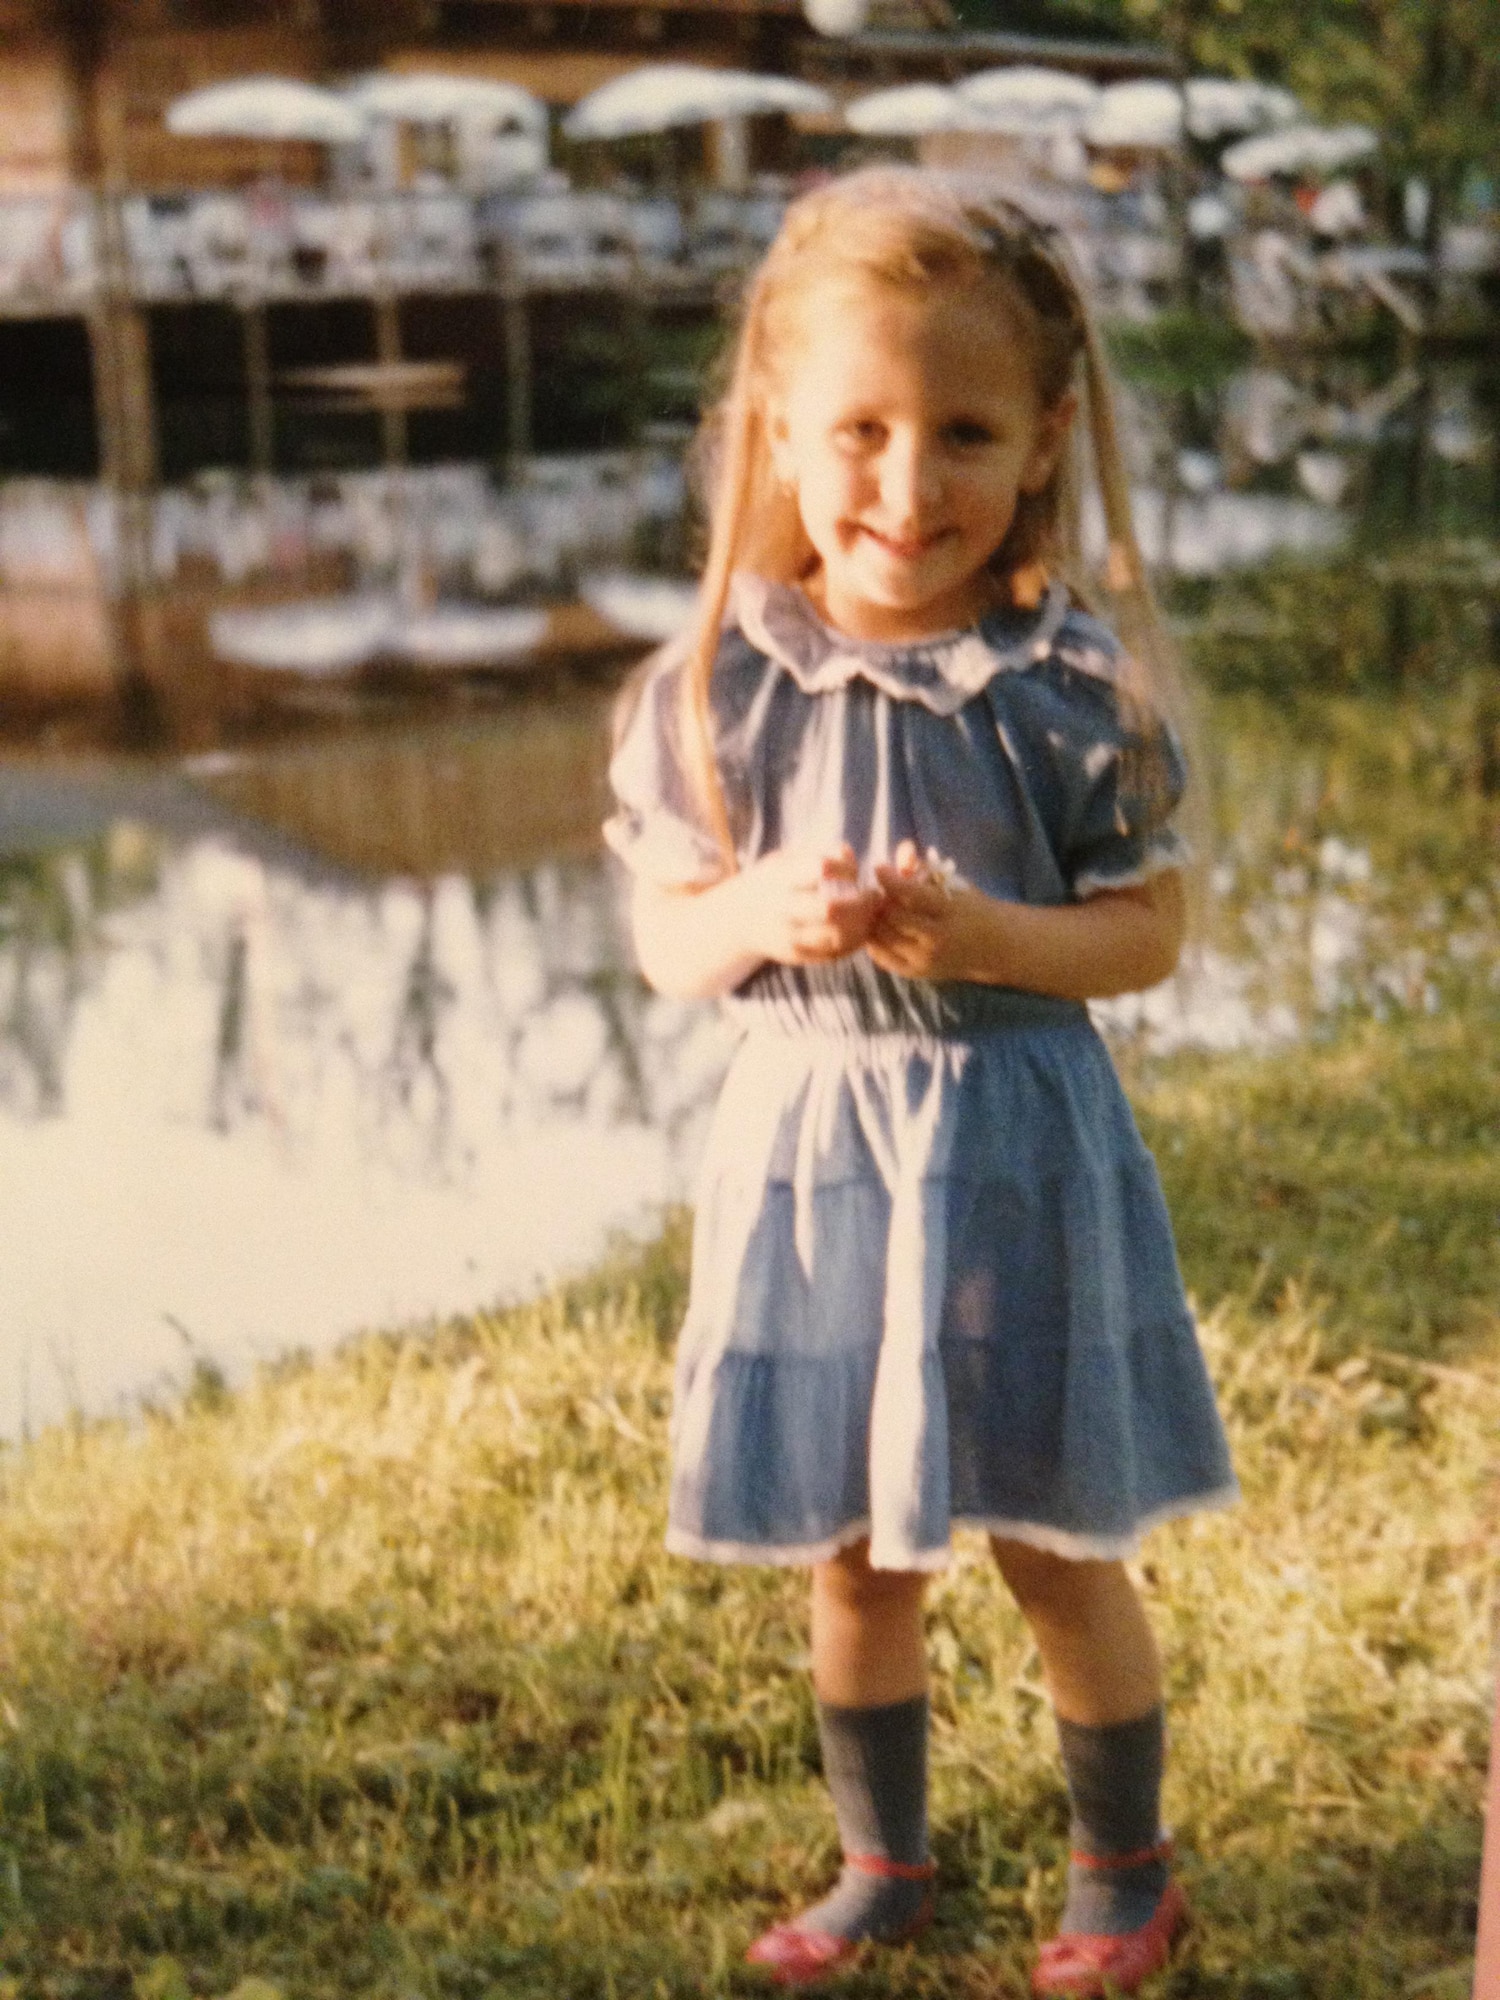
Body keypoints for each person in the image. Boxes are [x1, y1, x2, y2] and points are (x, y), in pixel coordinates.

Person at [604, 166, 1237, 1997]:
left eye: (962, 431)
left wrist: (990, 942)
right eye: (860, 430)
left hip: (1018, 1146)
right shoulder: (718, 687)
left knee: (1051, 1533)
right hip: (817, 1156)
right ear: (779, 435)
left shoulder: (1066, 688)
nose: (906, 484)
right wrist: (753, 911)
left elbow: (1143, 936)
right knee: (857, 1548)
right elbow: (668, 947)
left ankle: (1126, 1864)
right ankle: (884, 1857)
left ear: (1044, 441)